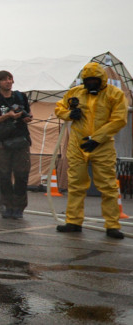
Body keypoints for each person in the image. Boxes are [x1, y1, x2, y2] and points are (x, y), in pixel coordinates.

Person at [54, 62, 129, 239]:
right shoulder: (75, 93)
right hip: (78, 145)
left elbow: (119, 120)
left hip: (102, 146)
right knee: (76, 184)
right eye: (88, 81)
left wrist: (97, 138)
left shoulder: (114, 94)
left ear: (101, 80)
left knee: (108, 186)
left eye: (95, 80)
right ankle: (73, 221)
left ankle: (112, 225)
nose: (91, 84)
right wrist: (69, 114)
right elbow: (59, 107)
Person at [0, 71, 32, 219]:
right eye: (4, 80)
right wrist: (7, 116)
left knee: (21, 175)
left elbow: (27, 114)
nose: (8, 82)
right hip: (1, 143)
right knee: (4, 176)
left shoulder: (20, 97)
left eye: (10, 79)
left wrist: (26, 118)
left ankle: (19, 207)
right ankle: (8, 206)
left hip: (21, 140)